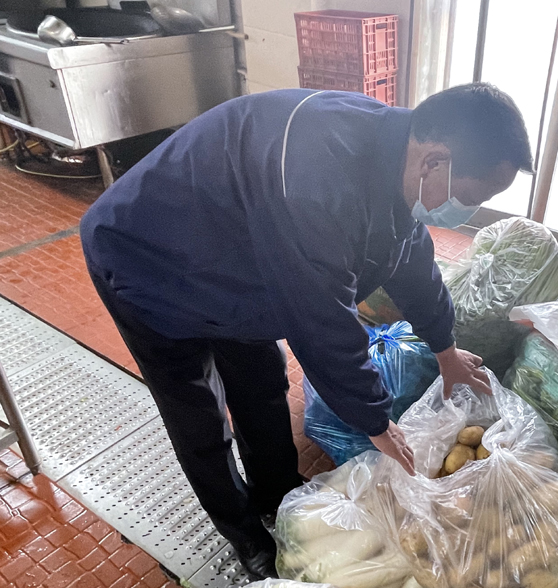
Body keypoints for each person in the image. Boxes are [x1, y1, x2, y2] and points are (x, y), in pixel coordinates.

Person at [79, 83, 533, 579]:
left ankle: (276, 494)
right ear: (435, 162)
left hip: (233, 260)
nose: (471, 210)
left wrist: (445, 349)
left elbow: (411, 260)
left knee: (262, 384)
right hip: (147, 259)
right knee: (198, 415)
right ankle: (243, 532)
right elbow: (322, 321)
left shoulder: (394, 158)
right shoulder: (317, 177)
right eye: (473, 197)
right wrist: (376, 421)